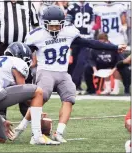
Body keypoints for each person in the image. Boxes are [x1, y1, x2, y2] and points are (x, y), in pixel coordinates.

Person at [10, 5, 127, 143]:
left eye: (57, 26)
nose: (54, 29)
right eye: (51, 26)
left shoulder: (69, 31)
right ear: (44, 23)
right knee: (41, 98)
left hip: (63, 72)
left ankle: (59, 132)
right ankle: (22, 127)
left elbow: (90, 43)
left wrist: (114, 47)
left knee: (70, 97)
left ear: (63, 23)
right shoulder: (36, 35)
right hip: (46, 70)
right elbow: (24, 53)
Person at [0, 0, 39, 119]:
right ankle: (0, 113)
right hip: (3, 46)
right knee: (1, 78)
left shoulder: (28, 3)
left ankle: (28, 111)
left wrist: (35, 51)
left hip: (24, 48)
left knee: (26, 79)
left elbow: (36, 27)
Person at [67, 0, 95, 94]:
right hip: (75, 38)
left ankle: (74, 85)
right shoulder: (72, 7)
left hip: (86, 38)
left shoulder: (90, 7)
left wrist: (91, 30)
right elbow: (67, 22)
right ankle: (75, 85)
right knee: (73, 62)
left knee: (81, 61)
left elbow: (94, 21)